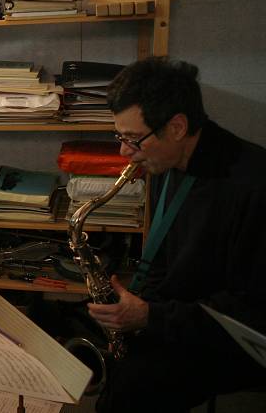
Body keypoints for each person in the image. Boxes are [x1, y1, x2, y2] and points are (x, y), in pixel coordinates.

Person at [90, 58, 266, 412]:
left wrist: (151, 318)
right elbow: (162, 263)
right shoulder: (165, 164)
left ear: (177, 126)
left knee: (134, 387)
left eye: (132, 139)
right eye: (119, 136)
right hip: (181, 318)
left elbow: (252, 311)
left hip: (233, 339)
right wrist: (135, 314)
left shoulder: (254, 184)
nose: (124, 152)